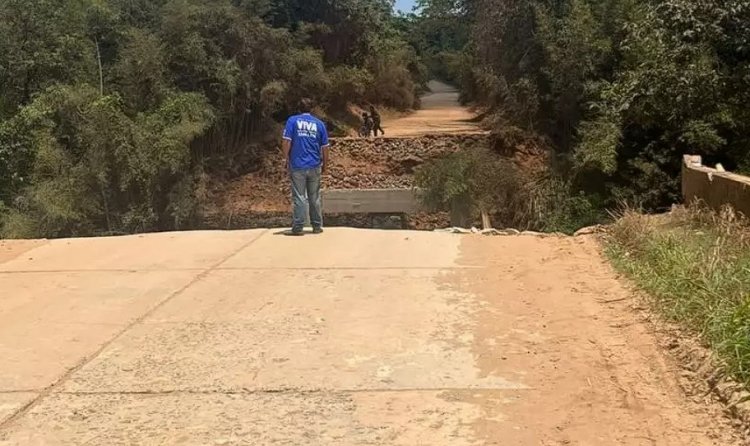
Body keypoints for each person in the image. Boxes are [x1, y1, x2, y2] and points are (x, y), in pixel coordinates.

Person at [282, 98, 329, 235]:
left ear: (298, 108)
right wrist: (326, 165)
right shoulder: (319, 124)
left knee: (299, 196)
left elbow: (286, 141)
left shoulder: (292, 121)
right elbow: (325, 148)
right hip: (315, 165)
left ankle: (298, 226)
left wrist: (285, 159)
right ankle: (316, 226)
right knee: (314, 197)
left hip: (297, 165)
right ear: (312, 109)